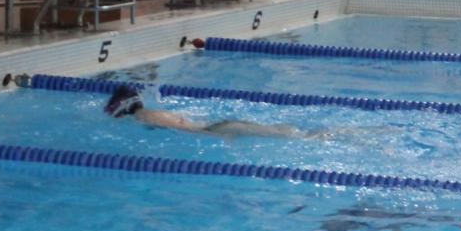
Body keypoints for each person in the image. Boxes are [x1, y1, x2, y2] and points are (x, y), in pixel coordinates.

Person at [103, 84, 312, 138]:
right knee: (279, 132)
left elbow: (186, 129)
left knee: (286, 137)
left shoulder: (145, 117)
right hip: (220, 125)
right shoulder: (151, 112)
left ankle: (316, 136)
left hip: (217, 129)